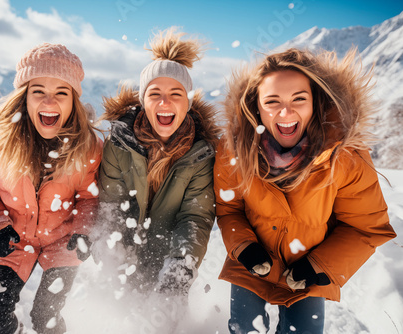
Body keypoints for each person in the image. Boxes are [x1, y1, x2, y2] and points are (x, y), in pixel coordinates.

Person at [214, 48, 397, 334]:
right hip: (250, 264)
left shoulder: (345, 157)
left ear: (316, 103)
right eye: (272, 101)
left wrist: (318, 266)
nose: (285, 112)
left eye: (299, 99)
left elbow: (364, 226)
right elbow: (229, 208)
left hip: (307, 272)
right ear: (257, 107)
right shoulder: (234, 150)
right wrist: (244, 247)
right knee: (243, 329)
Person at [0, 43, 102, 334]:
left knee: (46, 318)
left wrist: (83, 229)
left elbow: (89, 197)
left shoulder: (87, 146)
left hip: (62, 241)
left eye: (61, 93)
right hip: (14, 238)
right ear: (23, 96)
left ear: (73, 101)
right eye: (38, 91)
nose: (49, 102)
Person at [95, 27, 220, 300]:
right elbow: (111, 205)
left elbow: (195, 217)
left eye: (176, 93)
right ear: (142, 102)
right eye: (155, 94)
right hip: (123, 260)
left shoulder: (200, 154)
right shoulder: (119, 144)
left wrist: (179, 270)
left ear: (187, 103)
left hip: (170, 261)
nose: (165, 102)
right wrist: (115, 257)